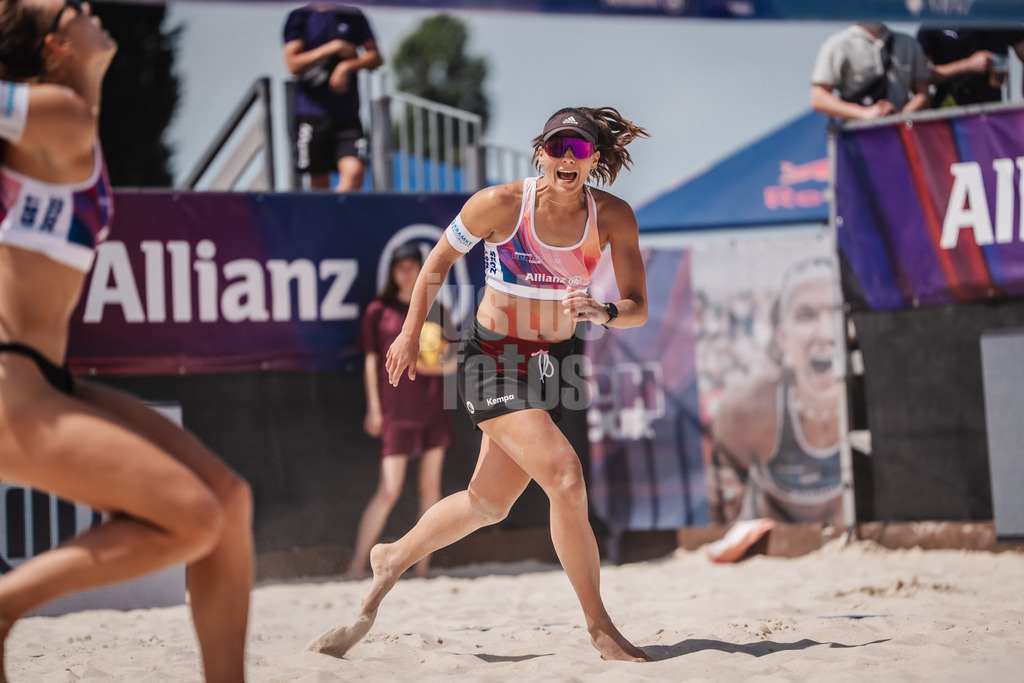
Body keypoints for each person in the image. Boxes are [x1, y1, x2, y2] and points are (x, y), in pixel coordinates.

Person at [307, 106, 651, 663]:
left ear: (593, 159)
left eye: (580, 148)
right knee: (565, 478)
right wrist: (409, 331)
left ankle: (391, 558)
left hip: (554, 362)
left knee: (487, 503)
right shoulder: (499, 204)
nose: (568, 156)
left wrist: (604, 310)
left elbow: (637, 308)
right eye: (558, 145)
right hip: (491, 357)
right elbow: (437, 264)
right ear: (540, 150)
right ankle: (600, 629)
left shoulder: (612, 216)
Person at [0, 2, 254, 680]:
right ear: (57, 44)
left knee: (228, 502)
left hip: (42, 378)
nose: (88, 8)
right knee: (192, 517)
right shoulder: (56, 111)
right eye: (70, 8)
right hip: (11, 385)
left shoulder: (65, 124)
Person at [708, 257, 843, 528]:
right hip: (779, 549)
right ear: (783, 336)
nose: (826, 333)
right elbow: (719, 518)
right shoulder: (746, 409)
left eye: (838, 311)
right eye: (807, 315)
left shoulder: (881, 404)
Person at [346, 242, 453, 581]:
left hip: (434, 405)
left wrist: (436, 369)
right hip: (395, 408)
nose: (406, 272)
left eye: (412, 266)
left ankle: (422, 570)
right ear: (392, 273)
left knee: (429, 489)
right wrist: (374, 408)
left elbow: (453, 359)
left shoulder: (436, 308)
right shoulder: (379, 310)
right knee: (389, 489)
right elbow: (371, 360)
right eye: (400, 267)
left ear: (422, 270)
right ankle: (355, 567)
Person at [282, 3, 382, 192]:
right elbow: (293, 64)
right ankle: (326, 219)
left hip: (348, 114)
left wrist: (347, 66)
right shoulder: (299, 17)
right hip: (311, 112)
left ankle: (336, 217)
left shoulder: (353, 16)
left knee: (354, 174)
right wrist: (332, 48)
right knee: (319, 185)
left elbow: (375, 56)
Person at [811, 22, 930, 120]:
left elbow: (923, 93)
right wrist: (864, 113)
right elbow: (819, 98)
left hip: (902, 136)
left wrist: (901, 117)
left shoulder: (908, 43)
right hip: (857, 138)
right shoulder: (838, 44)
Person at [917, 25, 1024, 108]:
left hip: (991, 113)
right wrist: (968, 65)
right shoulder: (933, 23)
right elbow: (919, 76)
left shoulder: (999, 15)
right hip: (948, 115)